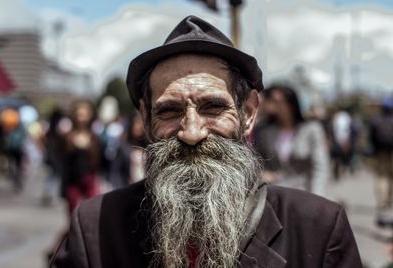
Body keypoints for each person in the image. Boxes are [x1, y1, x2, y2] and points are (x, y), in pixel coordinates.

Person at [51, 16, 362, 268]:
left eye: (213, 108)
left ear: (249, 113)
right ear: (145, 118)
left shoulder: (318, 229)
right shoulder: (95, 228)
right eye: (169, 110)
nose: (192, 132)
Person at [255, 84, 329, 196]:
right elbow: (257, 161)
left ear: (290, 104)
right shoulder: (265, 131)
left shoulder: (311, 129)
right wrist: (262, 174)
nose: (272, 105)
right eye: (270, 101)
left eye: (277, 101)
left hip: (304, 193)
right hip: (274, 195)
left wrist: (316, 197)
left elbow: (319, 166)